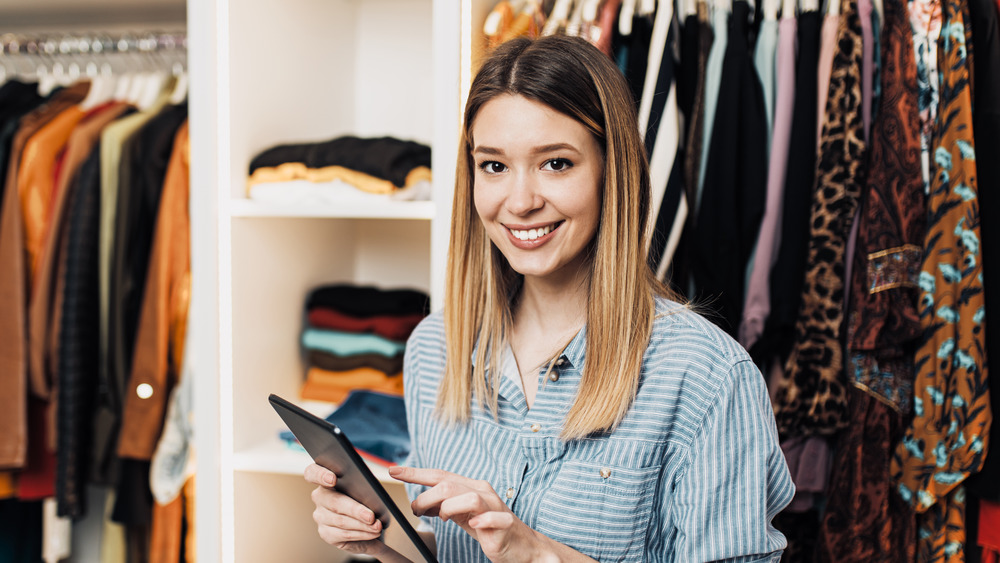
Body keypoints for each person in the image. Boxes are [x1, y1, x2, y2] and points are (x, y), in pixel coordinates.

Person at [304, 34, 794, 562]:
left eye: (555, 163)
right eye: (494, 165)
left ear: (613, 172)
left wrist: (535, 553)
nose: (520, 201)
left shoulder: (706, 376)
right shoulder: (435, 349)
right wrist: (378, 544)